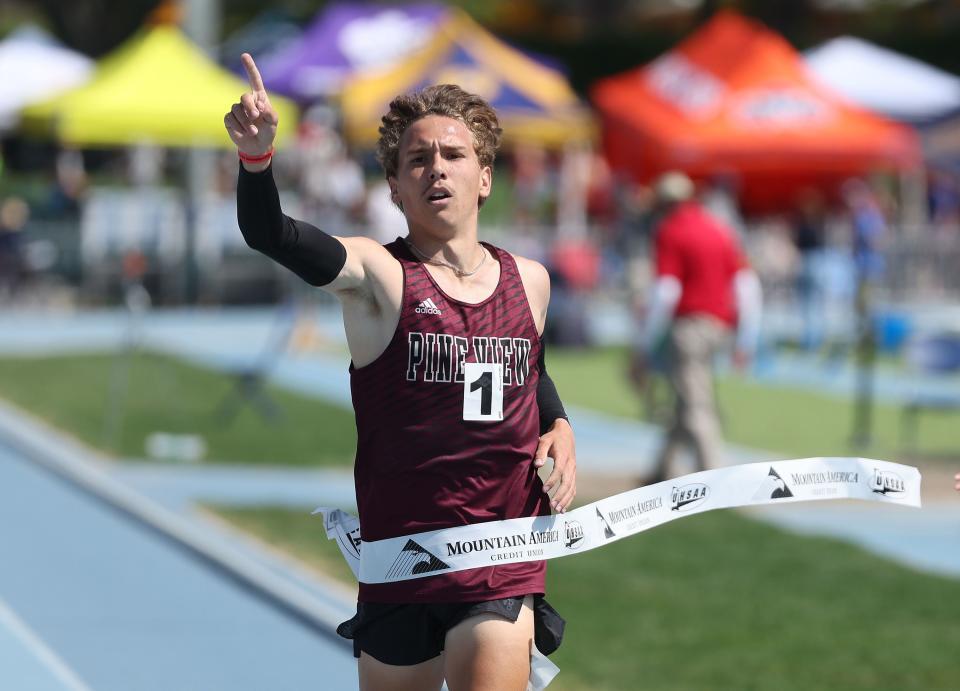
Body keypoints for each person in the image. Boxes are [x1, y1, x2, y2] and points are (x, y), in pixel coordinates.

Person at [225, 54, 576, 691]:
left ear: (486, 177)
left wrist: (561, 425)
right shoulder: (377, 277)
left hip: (501, 558)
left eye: (453, 154)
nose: (436, 167)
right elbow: (271, 233)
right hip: (402, 560)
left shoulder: (532, 281)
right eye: (417, 160)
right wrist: (257, 160)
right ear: (394, 187)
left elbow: (533, 371)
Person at [629, 171, 761, 484]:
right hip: (720, 324)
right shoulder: (718, 228)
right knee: (687, 396)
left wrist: (646, 344)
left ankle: (717, 478)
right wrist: (746, 339)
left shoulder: (671, 231)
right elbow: (746, 284)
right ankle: (663, 469)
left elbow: (666, 291)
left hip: (689, 326)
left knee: (696, 404)